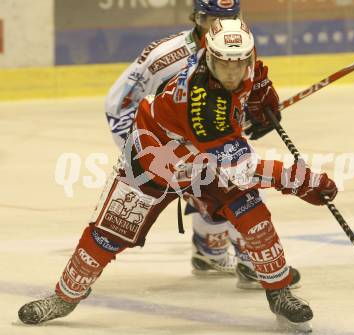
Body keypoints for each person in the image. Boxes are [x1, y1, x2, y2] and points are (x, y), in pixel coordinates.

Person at [18, 18, 337, 331]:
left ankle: (279, 293)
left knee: (253, 215)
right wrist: (301, 180)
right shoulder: (202, 104)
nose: (232, 72)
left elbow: (252, 77)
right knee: (108, 234)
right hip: (154, 161)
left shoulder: (239, 64)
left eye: (239, 63)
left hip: (205, 159)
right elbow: (241, 171)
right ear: (208, 58)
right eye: (224, 64)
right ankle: (65, 296)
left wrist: (261, 96)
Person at [105, 0, 299, 289]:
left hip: (204, 139)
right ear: (196, 18)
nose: (220, 26)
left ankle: (210, 252)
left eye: (232, 16)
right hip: (164, 144)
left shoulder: (236, 43)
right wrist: (142, 152)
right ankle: (252, 264)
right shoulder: (165, 56)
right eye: (211, 19)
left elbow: (236, 96)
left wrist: (256, 114)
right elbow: (119, 105)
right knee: (237, 186)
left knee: (221, 183)